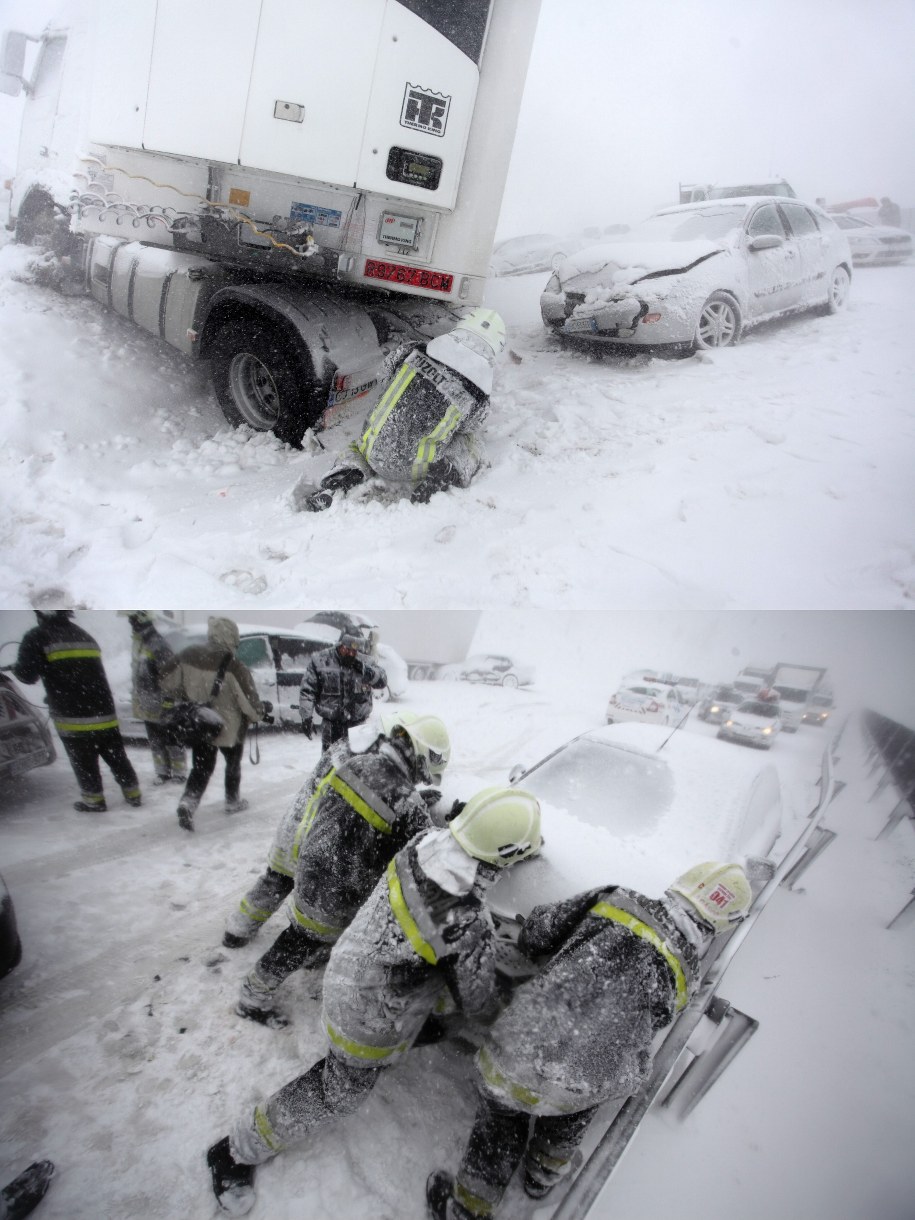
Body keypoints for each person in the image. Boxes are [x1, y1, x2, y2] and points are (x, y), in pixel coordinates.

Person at [206, 787, 543, 1217]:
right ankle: (236, 1150)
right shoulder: (461, 920)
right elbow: (481, 1004)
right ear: (505, 854)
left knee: (435, 1021)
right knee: (339, 1091)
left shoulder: (424, 845)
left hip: (353, 966)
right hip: (370, 1014)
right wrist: (517, 974)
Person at [426, 861, 753, 1219]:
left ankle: (468, 1209)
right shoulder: (689, 976)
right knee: (571, 1115)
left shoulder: (618, 900)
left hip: (526, 1045)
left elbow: (540, 931)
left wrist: (535, 943)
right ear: (722, 923)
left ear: (681, 884)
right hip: (591, 1075)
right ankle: (542, 1176)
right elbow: (653, 1020)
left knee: (502, 1119)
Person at [234, 713, 451, 1026]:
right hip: (340, 891)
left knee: (300, 935)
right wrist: (451, 822)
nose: (423, 780)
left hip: (312, 868)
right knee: (300, 941)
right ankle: (251, 996)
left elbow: (364, 805)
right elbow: (424, 848)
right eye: (425, 774)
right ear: (420, 757)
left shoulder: (357, 765)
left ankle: (261, 984)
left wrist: (413, 798)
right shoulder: (407, 803)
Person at [221, 711, 427, 949]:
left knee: (274, 880)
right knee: (305, 895)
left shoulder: (346, 747)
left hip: (295, 826)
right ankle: (309, 946)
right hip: (317, 834)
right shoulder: (367, 760)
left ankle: (237, 929)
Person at [294, 307, 506, 511]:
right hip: (420, 465)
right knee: (470, 440)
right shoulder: (478, 396)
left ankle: (343, 477)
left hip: (374, 451)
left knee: (356, 447)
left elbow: (384, 376)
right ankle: (448, 474)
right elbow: (470, 426)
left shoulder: (412, 350)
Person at [10, 610, 141, 812]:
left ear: (40, 612)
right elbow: (82, 672)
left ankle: (94, 801)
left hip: (73, 716)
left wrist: (17, 668)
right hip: (103, 711)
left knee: (84, 760)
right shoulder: (84, 635)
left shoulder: (37, 636)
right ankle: (133, 794)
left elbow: (27, 675)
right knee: (116, 756)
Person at [162, 616, 269, 832]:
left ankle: (188, 803)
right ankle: (232, 800)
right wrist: (260, 713)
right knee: (232, 764)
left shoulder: (188, 654)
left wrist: (187, 696)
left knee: (201, 768)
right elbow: (249, 705)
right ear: (231, 637)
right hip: (230, 728)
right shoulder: (235, 666)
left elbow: (166, 681)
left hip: (202, 723)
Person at [298, 631, 387, 750]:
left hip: (358, 728)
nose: (351, 653)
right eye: (347, 649)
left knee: (355, 764)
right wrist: (306, 717)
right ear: (340, 644)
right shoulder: (321, 661)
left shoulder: (366, 662)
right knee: (331, 764)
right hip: (331, 727)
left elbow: (382, 681)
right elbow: (307, 691)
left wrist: (368, 672)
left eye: (354, 651)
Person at [126, 611, 186, 785]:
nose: (131, 625)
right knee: (155, 741)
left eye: (133, 621)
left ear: (142, 622)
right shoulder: (138, 643)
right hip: (147, 702)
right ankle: (162, 772)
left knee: (172, 739)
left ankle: (179, 772)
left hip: (162, 702)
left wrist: (169, 701)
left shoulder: (157, 643)